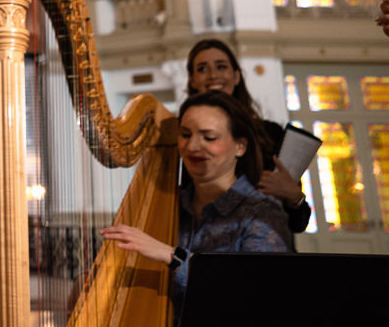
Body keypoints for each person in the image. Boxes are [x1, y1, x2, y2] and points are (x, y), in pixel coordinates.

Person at [101, 91, 291, 312]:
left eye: (209, 137)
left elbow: (256, 296)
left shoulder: (262, 214)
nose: (192, 146)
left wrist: (172, 256)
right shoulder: (170, 204)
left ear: (240, 146)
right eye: (185, 134)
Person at [184, 38, 310, 236]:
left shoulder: (271, 134)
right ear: (192, 80)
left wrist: (293, 196)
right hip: (207, 250)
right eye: (202, 69)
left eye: (221, 66)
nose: (213, 75)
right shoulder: (186, 141)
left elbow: (299, 223)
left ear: (236, 76)